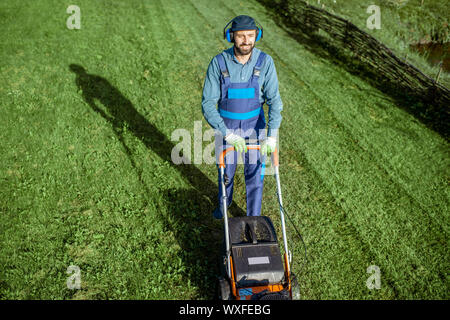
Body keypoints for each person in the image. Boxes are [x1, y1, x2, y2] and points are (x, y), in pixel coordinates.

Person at [201, 15, 283, 219]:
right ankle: (223, 205)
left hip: (255, 125)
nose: (246, 41)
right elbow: (208, 103)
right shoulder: (218, 63)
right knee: (225, 173)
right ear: (231, 37)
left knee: (255, 175)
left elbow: (275, 102)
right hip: (227, 127)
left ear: (257, 35)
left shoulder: (265, 62)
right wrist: (226, 134)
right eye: (240, 36)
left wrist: (271, 136)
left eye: (250, 35)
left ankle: (253, 217)